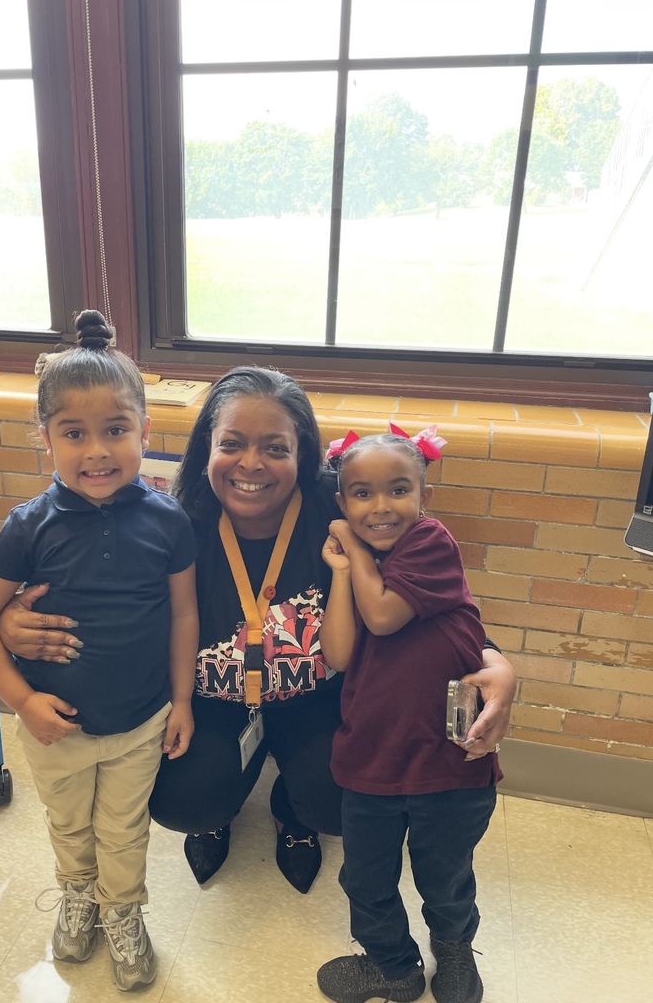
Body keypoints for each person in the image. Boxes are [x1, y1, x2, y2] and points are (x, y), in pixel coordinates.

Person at [0, 367, 515, 898]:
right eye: (232, 444)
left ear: (302, 454)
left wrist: (493, 660)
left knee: (343, 803)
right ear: (206, 450)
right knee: (185, 802)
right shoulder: (171, 523)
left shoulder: (342, 514)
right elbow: (98, 591)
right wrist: (11, 619)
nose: (251, 464)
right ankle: (220, 809)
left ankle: (292, 812)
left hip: (319, 698)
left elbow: (430, 591)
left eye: (275, 448)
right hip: (212, 703)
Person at [0, 310, 198, 993]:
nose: (97, 451)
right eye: (74, 433)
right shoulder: (26, 528)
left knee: (123, 830)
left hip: (141, 720)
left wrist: (180, 700)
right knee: (69, 826)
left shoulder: (168, 519)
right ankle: (79, 896)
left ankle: (123, 912)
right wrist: (22, 701)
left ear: (145, 431)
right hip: (54, 723)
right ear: (45, 441)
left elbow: (183, 613)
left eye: (116, 430)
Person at [316, 429, 500, 1003]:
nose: (381, 507)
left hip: (448, 763)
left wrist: (348, 541)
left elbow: (385, 618)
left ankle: (452, 952)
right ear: (342, 498)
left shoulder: (429, 542)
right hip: (373, 757)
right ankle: (393, 966)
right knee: (364, 879)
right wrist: (343, 572)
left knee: (444, 879)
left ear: (424, 495)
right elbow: (340, 653)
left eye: (398, 489)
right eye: (360, 495)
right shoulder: (358, 566)